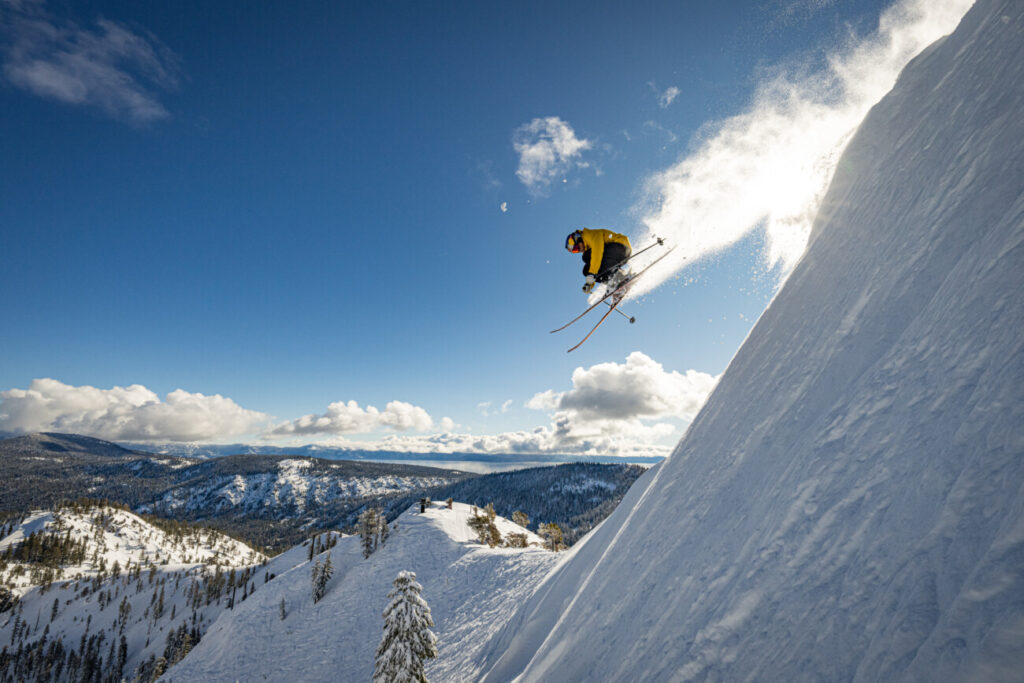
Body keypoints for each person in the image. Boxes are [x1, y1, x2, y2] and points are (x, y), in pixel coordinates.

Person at [565, 228, 632, 293]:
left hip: (621, 247)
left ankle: (618, 277)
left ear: (578, 239)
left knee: (587, 256)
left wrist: (591, 274)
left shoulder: (589, 235)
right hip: (615, 257)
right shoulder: (588, 248)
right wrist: (589, 284)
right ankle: (615, 282)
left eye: (577, 248)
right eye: (575, 251)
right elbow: (595, 266)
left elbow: (597, 252)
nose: (579, 250)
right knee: (586, 271)